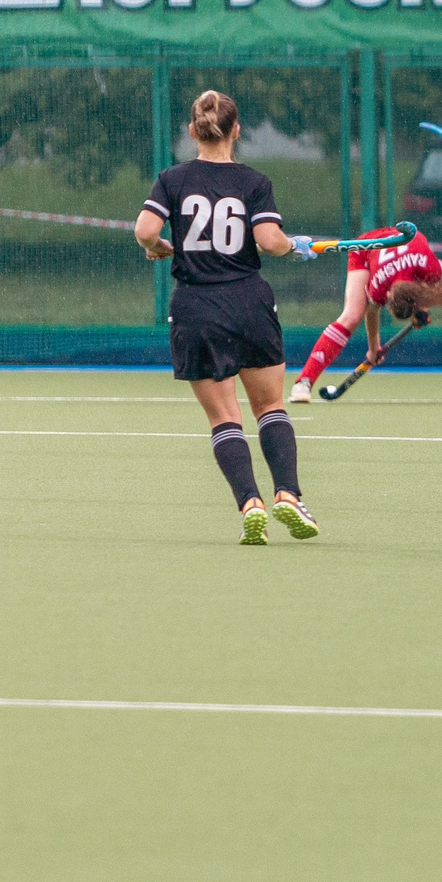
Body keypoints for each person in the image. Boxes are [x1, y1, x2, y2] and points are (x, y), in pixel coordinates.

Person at [133, 89, 318, 544]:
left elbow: (145, 231)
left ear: (193, 131)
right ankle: (288, 495)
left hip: (196, 307)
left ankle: (249, 502)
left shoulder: (172, 179)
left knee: (224, 419)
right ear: (237, 131)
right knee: (270, 407)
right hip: (249, 302)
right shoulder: (254, 181)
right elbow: (270, 241)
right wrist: (295, 244)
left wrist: (158, 248)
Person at [289, 224, 442, 404]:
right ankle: (304, 382)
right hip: (366, 247)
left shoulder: (428, 267)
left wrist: (430, 298)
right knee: (352, 315)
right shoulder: (379, 286)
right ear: (387, 295)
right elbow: (372, 309)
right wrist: (373, 347)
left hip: (406, 244)